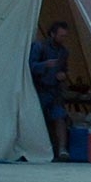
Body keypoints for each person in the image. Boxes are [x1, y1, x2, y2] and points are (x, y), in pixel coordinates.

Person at [29, 21, 71, 161]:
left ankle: (62, 149)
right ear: (52, 34)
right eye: (61, 35)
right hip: (39, 89)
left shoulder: (63, 52)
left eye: (65, 36)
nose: (63, 39)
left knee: (60, 117)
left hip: (55, 90)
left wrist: (63, 76)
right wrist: (45, 65)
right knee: (37, 119)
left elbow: (64, 69)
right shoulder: (39, 47)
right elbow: (30, 66)